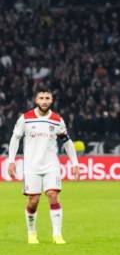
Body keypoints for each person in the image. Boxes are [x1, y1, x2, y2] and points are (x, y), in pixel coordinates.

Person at [7, 84, 80, 244]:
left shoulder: (57, 120)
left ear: (52, 100)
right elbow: (15, 138)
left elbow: (67, 143)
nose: (44, 101)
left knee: (53, 195)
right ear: (36, 100)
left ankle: (57, 235)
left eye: (47, 98)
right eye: (41, 98)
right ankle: (32, 233)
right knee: (33, 201)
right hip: (31, 167)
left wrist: (74, 163)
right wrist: (11, 161)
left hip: (51, 166)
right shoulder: (25, 118)